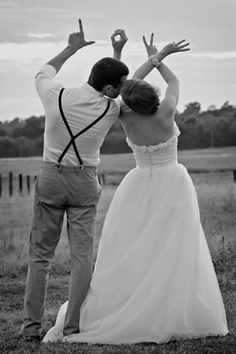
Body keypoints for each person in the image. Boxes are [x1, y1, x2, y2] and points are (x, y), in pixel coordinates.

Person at [42, 34, 228, 344]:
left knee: (135, 246)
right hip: (173, 183)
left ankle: (134, 298)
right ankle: (167, 302)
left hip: (138, 183)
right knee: (173, 246)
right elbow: (174, 82)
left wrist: (151, 57)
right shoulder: (167, 110)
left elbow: (129, 86)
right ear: (154, 98)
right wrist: (161, 57)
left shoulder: (124, 115)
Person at [20, 19, 129, 341]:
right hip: (84, 182)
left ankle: (30, 329)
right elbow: (134, 85)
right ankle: (73, 327)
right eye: (118, 85)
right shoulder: (111, 109)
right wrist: (119, 50)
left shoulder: (57, 95)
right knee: (82, 258)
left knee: (40, 257)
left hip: (51, 177)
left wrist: (72, 47)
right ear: (110, 89)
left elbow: (42, 72)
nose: (122, 89)